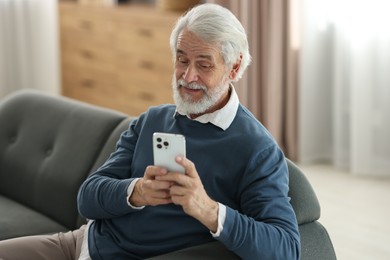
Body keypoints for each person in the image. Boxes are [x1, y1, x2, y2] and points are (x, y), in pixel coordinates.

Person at [0, 3, 300, 260]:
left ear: (234, 69)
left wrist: (207, 209)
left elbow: (286, 248)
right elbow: (87, 198)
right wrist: (137, 191)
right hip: (80, 245)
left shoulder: (256, 148)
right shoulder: (153, 120)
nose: (188, 76)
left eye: (204, 65)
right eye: (182, 60)